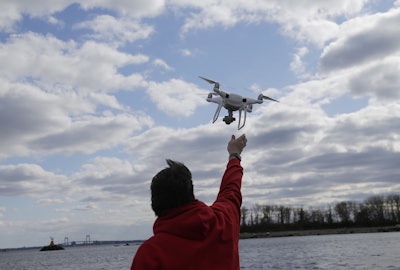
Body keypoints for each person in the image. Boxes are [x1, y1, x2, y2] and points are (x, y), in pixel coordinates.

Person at [131, 134, 247, 270]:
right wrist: (234, 154)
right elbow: (231, 190)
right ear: (190, 193)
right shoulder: (223, 221)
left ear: (154, 203)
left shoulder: (151, 253)